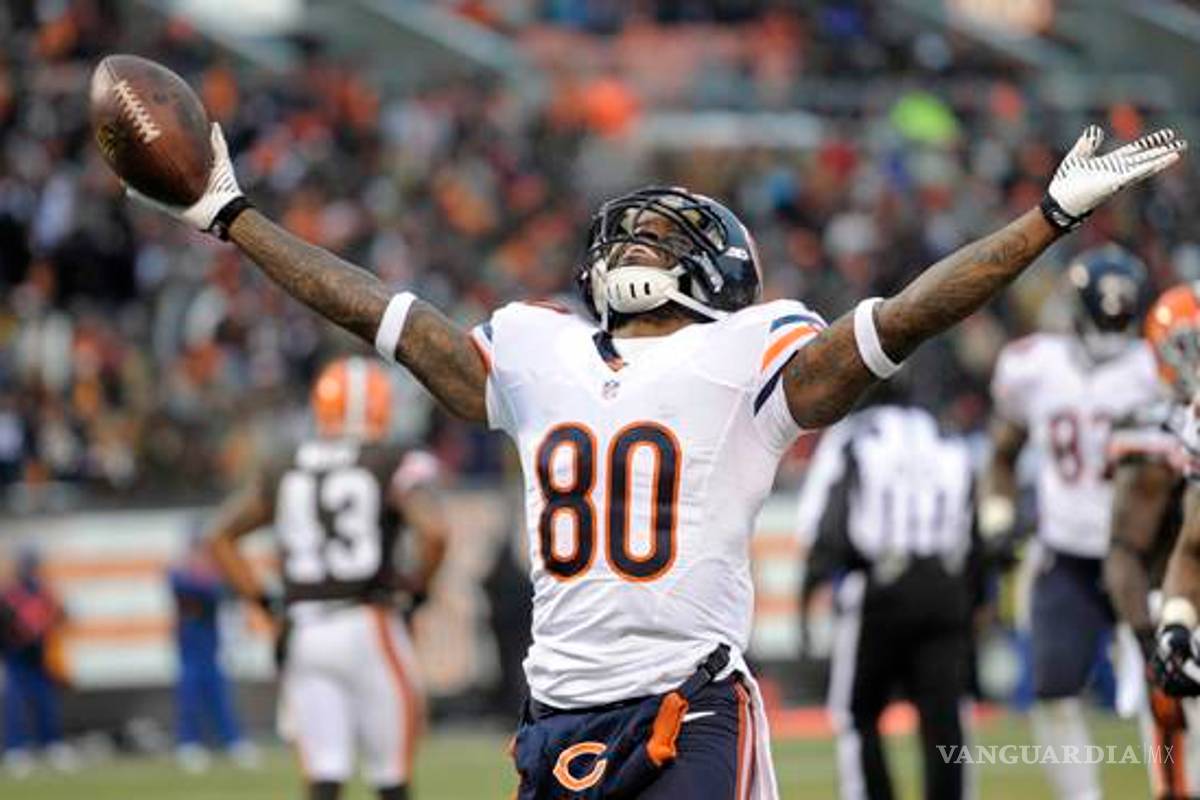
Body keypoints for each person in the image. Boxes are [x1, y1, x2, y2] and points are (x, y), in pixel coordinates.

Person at [125, 114, 1184, 799]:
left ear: (718, 275)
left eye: (666, 239)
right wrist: (232, 216)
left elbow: (906, 316)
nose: (638, 244)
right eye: (632, 234)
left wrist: (1045, 219)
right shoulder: (533, 351)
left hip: (691, 707)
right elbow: (375, 310)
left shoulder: (752, 356)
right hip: (557, 718)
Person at [207, 357, 449, 800]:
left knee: (323, 778)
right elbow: (435, 533)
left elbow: (220, 537)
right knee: (391, 778)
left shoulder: (285, 462)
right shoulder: (392, 458)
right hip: (369, 621)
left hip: (304, 631)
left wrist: (266, 602)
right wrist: (418, 589)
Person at [979, 244, 1161, 800]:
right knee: (1054, 690)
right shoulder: (1037, 366)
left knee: (1169, 687)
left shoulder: (1154, 369)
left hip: (1144, 556)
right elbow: (1002, 454)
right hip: (1066, 555)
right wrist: (997, 516)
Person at [797, 389, 982, 800]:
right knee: (945, 715)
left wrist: (811, 592)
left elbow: (822, 526)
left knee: (857, 713)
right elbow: (973, 531)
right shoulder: (947, 435)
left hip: (880, 588)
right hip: (945, 587)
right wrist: (974, 600)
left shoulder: (854, 435)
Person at [1105, 282, 1200, 798]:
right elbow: (1128, 548)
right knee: (1177, 777)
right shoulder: (1155, 426)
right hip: (1175, 605)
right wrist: (1151, 634)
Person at [168, 529, 257, 772]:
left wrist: (213, 577)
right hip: (189, 653)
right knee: (190, 698)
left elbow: (224, 591)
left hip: (211, 651)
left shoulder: (214, 578)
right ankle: (188, 743)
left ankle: (233, 742)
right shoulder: (179, 574)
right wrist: (207, 578)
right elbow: (188, 587)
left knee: (220, 699)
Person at [0, 547, 73, 776]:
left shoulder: (44, 592)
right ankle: (16, 748)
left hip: (40, 657)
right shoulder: (9, 594)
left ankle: (51, 744)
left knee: (46, 704)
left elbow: (62, 616)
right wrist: (18, 632)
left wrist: (48, 621)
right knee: (15, 705)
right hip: (16, 657)